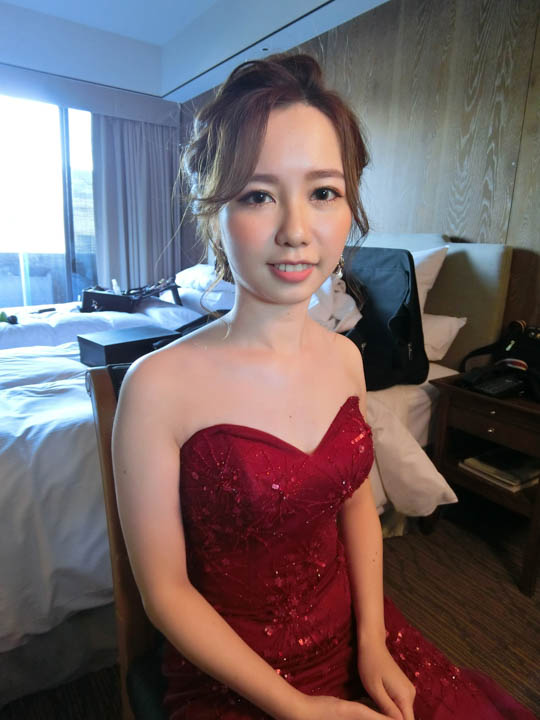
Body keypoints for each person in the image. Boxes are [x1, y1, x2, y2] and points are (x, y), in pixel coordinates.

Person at [112, 54, 536, 720]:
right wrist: (296, 707)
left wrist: (373, 642)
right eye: (258, 195)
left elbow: (357, 507)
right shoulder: (156, 386)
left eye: (324, 193)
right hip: (235, 675)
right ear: (214, 212)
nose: (296, 231)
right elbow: (165, 594)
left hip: (354, 633)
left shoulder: (345, 359)